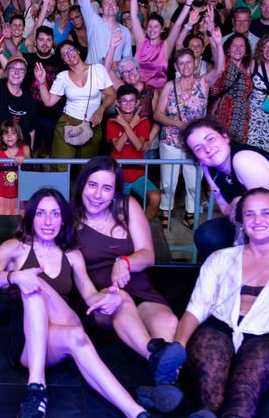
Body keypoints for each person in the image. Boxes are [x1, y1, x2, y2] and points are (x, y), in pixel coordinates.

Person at [0, 188, 152, 418]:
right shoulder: (15, 247)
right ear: (31, 217)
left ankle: (135, 413)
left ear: (63, 219)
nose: (48, 221)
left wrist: (110, 296)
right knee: (72, 331)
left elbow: (90, 295)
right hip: (26, 343)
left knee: (52, 301)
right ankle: (136, 412)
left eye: (55, 214)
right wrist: (16, 276)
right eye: (41, 213)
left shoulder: (72, 255)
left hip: (61, 323)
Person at [168, 188, 269, 418]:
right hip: (220, 328)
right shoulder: (220, 258)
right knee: (209, 393)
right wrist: (177, 347)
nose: (257, 220)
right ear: (241, 222)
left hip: (268, 336)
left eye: (266, 213)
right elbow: (195, 309)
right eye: (249, 214)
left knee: (244, 389)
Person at [70, 157, 185, 393]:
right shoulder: (70, 219)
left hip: (138, 287)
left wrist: (125, 262)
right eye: (92, 185)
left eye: (107, 188)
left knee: (169, 321)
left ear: (115, 193)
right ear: (82, 185)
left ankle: (163, 389)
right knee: (121, 300)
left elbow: (148, 255)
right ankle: (154, 357)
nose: (97, 194)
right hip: (102, 296)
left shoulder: (126, 206)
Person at [182, 117, 269, 261]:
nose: (207, 149)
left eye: (210, 139)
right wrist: (236, 204)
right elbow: (225, 208)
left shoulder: (242, 160)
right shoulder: (207, 166)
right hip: (245, 221)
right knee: (207, 234)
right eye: (198, 148)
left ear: (225, 137)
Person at [155, 20, 225, 228]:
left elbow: (220, 69)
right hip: (170, 140)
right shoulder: (169, 86)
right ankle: (165, 210)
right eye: (181, 63)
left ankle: (191, 212)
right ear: (176, 66)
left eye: (189, 62)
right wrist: (178, 123)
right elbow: (158, 115)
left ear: (196, 63)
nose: (186, 66)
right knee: (168, 182)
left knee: (194, 181)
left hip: (196, 144)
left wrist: (218, 44)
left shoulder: (203, 82)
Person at [33, 41, 115, 164]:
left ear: (78, 50)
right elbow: (48, 102)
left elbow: (111, 94)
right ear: (63, 60)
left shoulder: (98, 69)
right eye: (64, 54)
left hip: (92, 123)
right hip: (67, 123)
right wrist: (41, 82)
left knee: (86, 167)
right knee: (61, 167)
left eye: (71, 50)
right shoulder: (63, 76)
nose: (69, 55)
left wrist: (101, 109)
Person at [108, 83, 162, 224]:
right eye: (124, 101)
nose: (128, 104)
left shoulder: (143, 122)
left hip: (137, 173)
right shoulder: (112, 122)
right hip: (119, 175)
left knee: (155, 197)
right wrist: (130, 125)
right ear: (117, 103)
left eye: (132, 100)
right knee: (120, 211)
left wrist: (127, 125)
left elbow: (139, 146)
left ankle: (142, 228)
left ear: (137, 102)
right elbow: (118, 147)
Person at [0, 119, 30, 216]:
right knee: (0, 222)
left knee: (20, 223)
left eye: (13, 133)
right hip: (1, 194)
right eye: (6, 133)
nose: (9, 136)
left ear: (18, 135)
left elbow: (29, 164)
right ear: (1, 136)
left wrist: (23, 158)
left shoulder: (24, 148)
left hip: (19, 194)